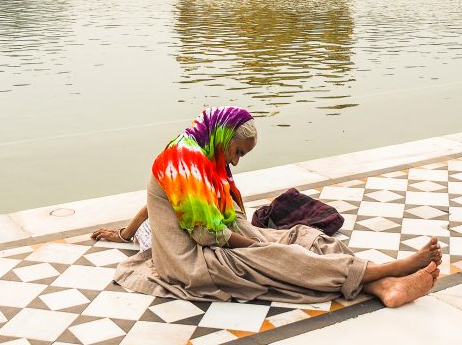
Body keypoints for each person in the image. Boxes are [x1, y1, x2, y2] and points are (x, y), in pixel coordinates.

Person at [97, 106, 440, 307]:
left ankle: (381, 285)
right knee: (280, 257)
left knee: (305, 237)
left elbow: (154, 200)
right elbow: (206, 235)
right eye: (239, 153)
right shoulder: (184, 163)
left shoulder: (204, 152)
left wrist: (125, 233)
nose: (237, 161)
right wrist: (256, 244)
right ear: (224, 139)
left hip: (223, 237)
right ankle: (385, 273)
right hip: (191, 260)